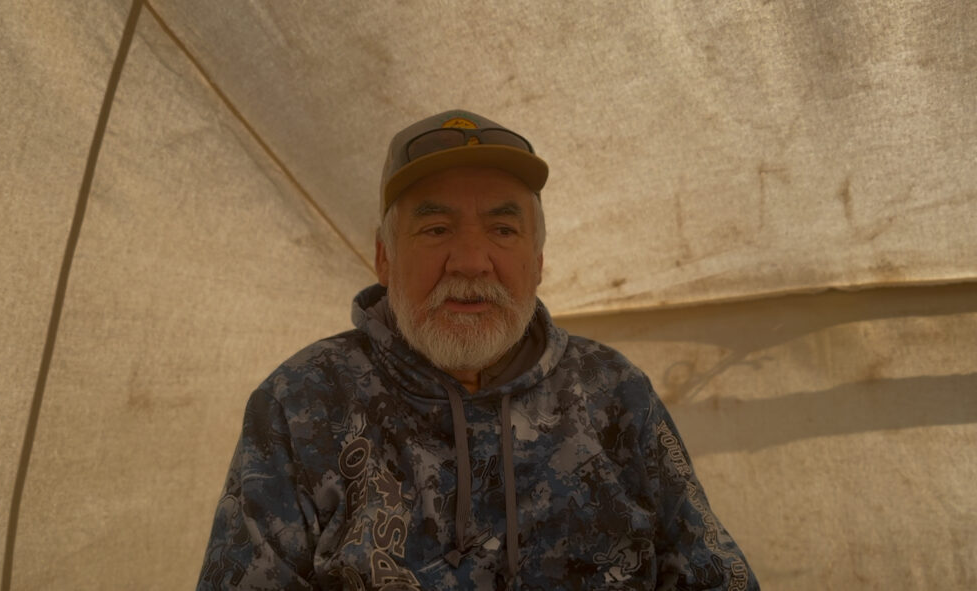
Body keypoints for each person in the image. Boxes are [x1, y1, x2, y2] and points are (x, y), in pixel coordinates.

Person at [198, 110, 759, 590]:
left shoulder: (614, 392)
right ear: (384, 257)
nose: (470, 261)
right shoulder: (301, 402)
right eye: (436, 228)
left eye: (504, 231)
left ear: (538, 260)